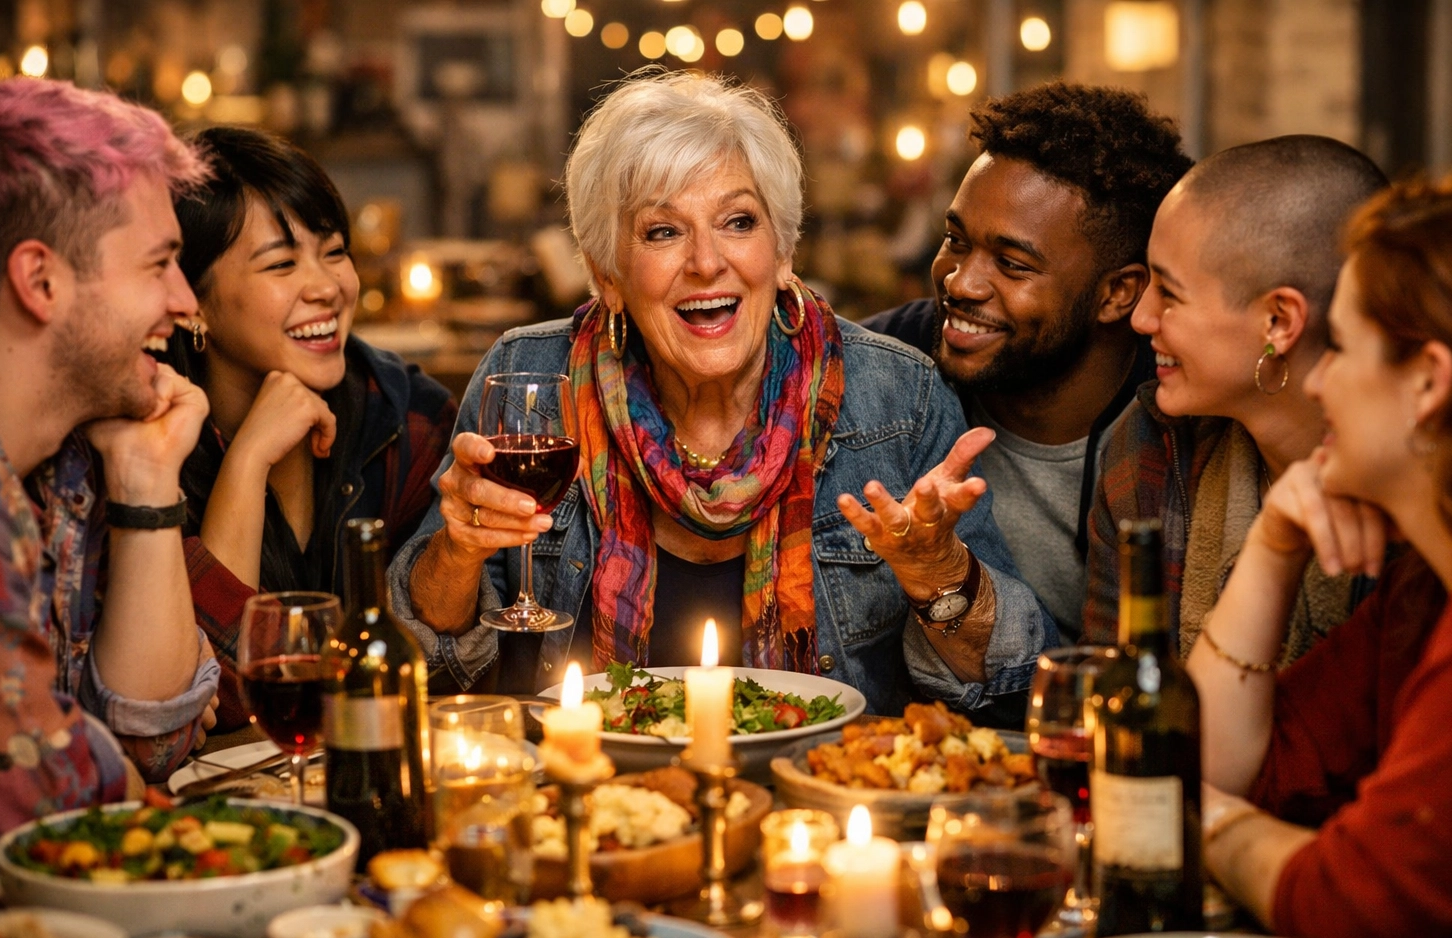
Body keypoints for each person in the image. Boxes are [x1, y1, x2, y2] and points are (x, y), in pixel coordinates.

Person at [390, 73, 1055, 719]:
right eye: (662, 231)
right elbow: (430, 661)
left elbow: (1005, 684)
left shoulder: (897, 398)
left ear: (783, 249)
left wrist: (941, 577)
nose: (707, 262)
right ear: (607, 275)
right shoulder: (530, 377)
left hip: (820, 801)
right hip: (590, 799)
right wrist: (459, 550)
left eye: (738, 221)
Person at [1193, 173, 1452, 938]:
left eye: (1342, 347)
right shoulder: (1423, 582)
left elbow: (1349, 904)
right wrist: (1271, 547)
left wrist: (1207, 824)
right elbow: (1218, 759)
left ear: (1428, 383)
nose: (1320, 381)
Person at [0, 78, 221, 857]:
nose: (187, 301)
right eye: (160, 264)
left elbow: (151, 744)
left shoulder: (72, 459)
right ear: (40, 281)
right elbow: (51, 806)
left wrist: (149, 484)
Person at [864, 82, 1191, 646]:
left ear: (1118, 294)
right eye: (955, 239)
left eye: (1012, 265)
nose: (960, 282)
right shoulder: (887, 369)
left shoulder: (1181, 418)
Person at [164, 127, 456, 727]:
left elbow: (439, 668)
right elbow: (207, 701)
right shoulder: (149, 446)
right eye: (281, 263)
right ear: (191, 299)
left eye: (334, 252)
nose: (327, 287)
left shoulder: (404, 419)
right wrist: (246, 463)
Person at [1083, 136, 1388, 664]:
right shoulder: (1153, 441)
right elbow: (1120, 686)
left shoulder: (1411, 481)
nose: (1140, 318)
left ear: (1279, 321)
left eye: (1170, 294)